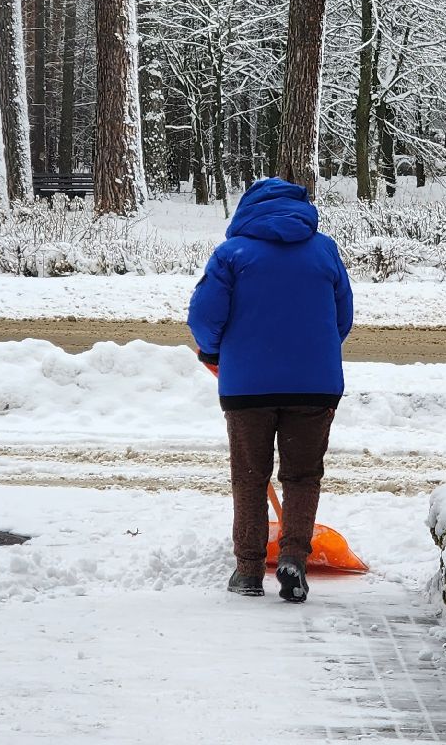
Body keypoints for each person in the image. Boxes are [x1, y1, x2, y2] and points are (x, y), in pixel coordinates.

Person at [187, 178, 353, 603]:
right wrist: (313, 353)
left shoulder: (232, 254)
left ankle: (247, 571)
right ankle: (293, 559)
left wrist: (214, 351)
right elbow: (342, 318)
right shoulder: (325, 250)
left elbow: (205, 317)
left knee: (248, 475)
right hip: (314, 387)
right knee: (302, 475)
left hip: (247, 387)